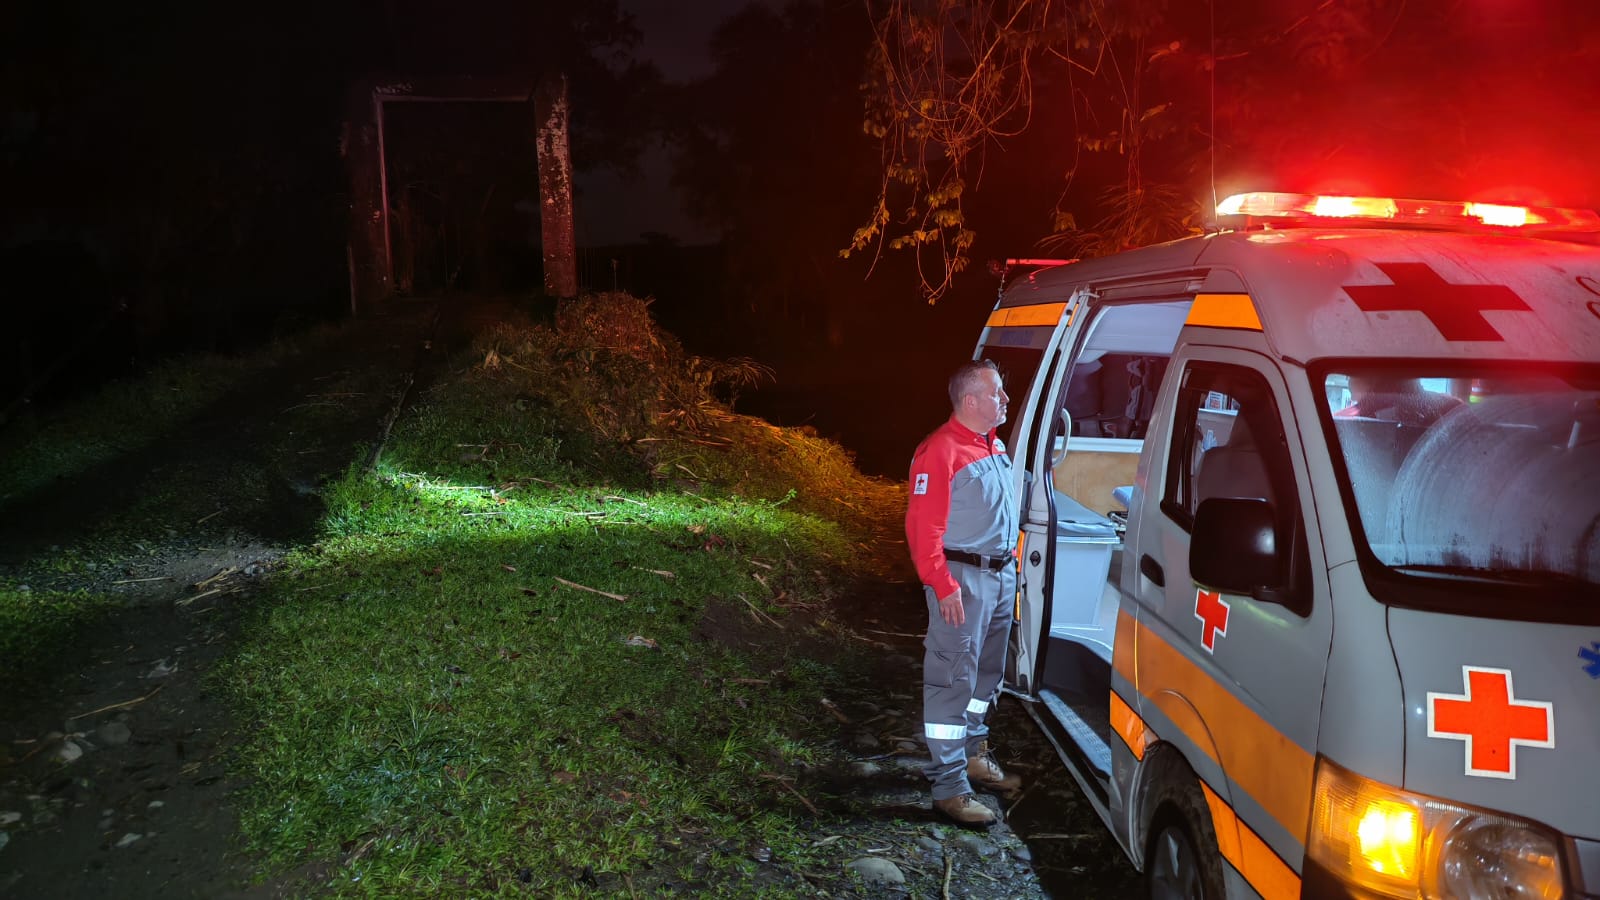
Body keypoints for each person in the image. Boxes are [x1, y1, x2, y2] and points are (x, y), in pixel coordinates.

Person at [904, 359, 1024, 826]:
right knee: (953, 677)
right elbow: (922, 529)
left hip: (999, 577)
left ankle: (973, 752)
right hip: (961, 581)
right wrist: (942, 584)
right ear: (970, 400)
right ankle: (949, 787)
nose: (1006, 400)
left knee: (985, 675)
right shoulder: (940, 450)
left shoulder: (991, 446)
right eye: (998, 393)